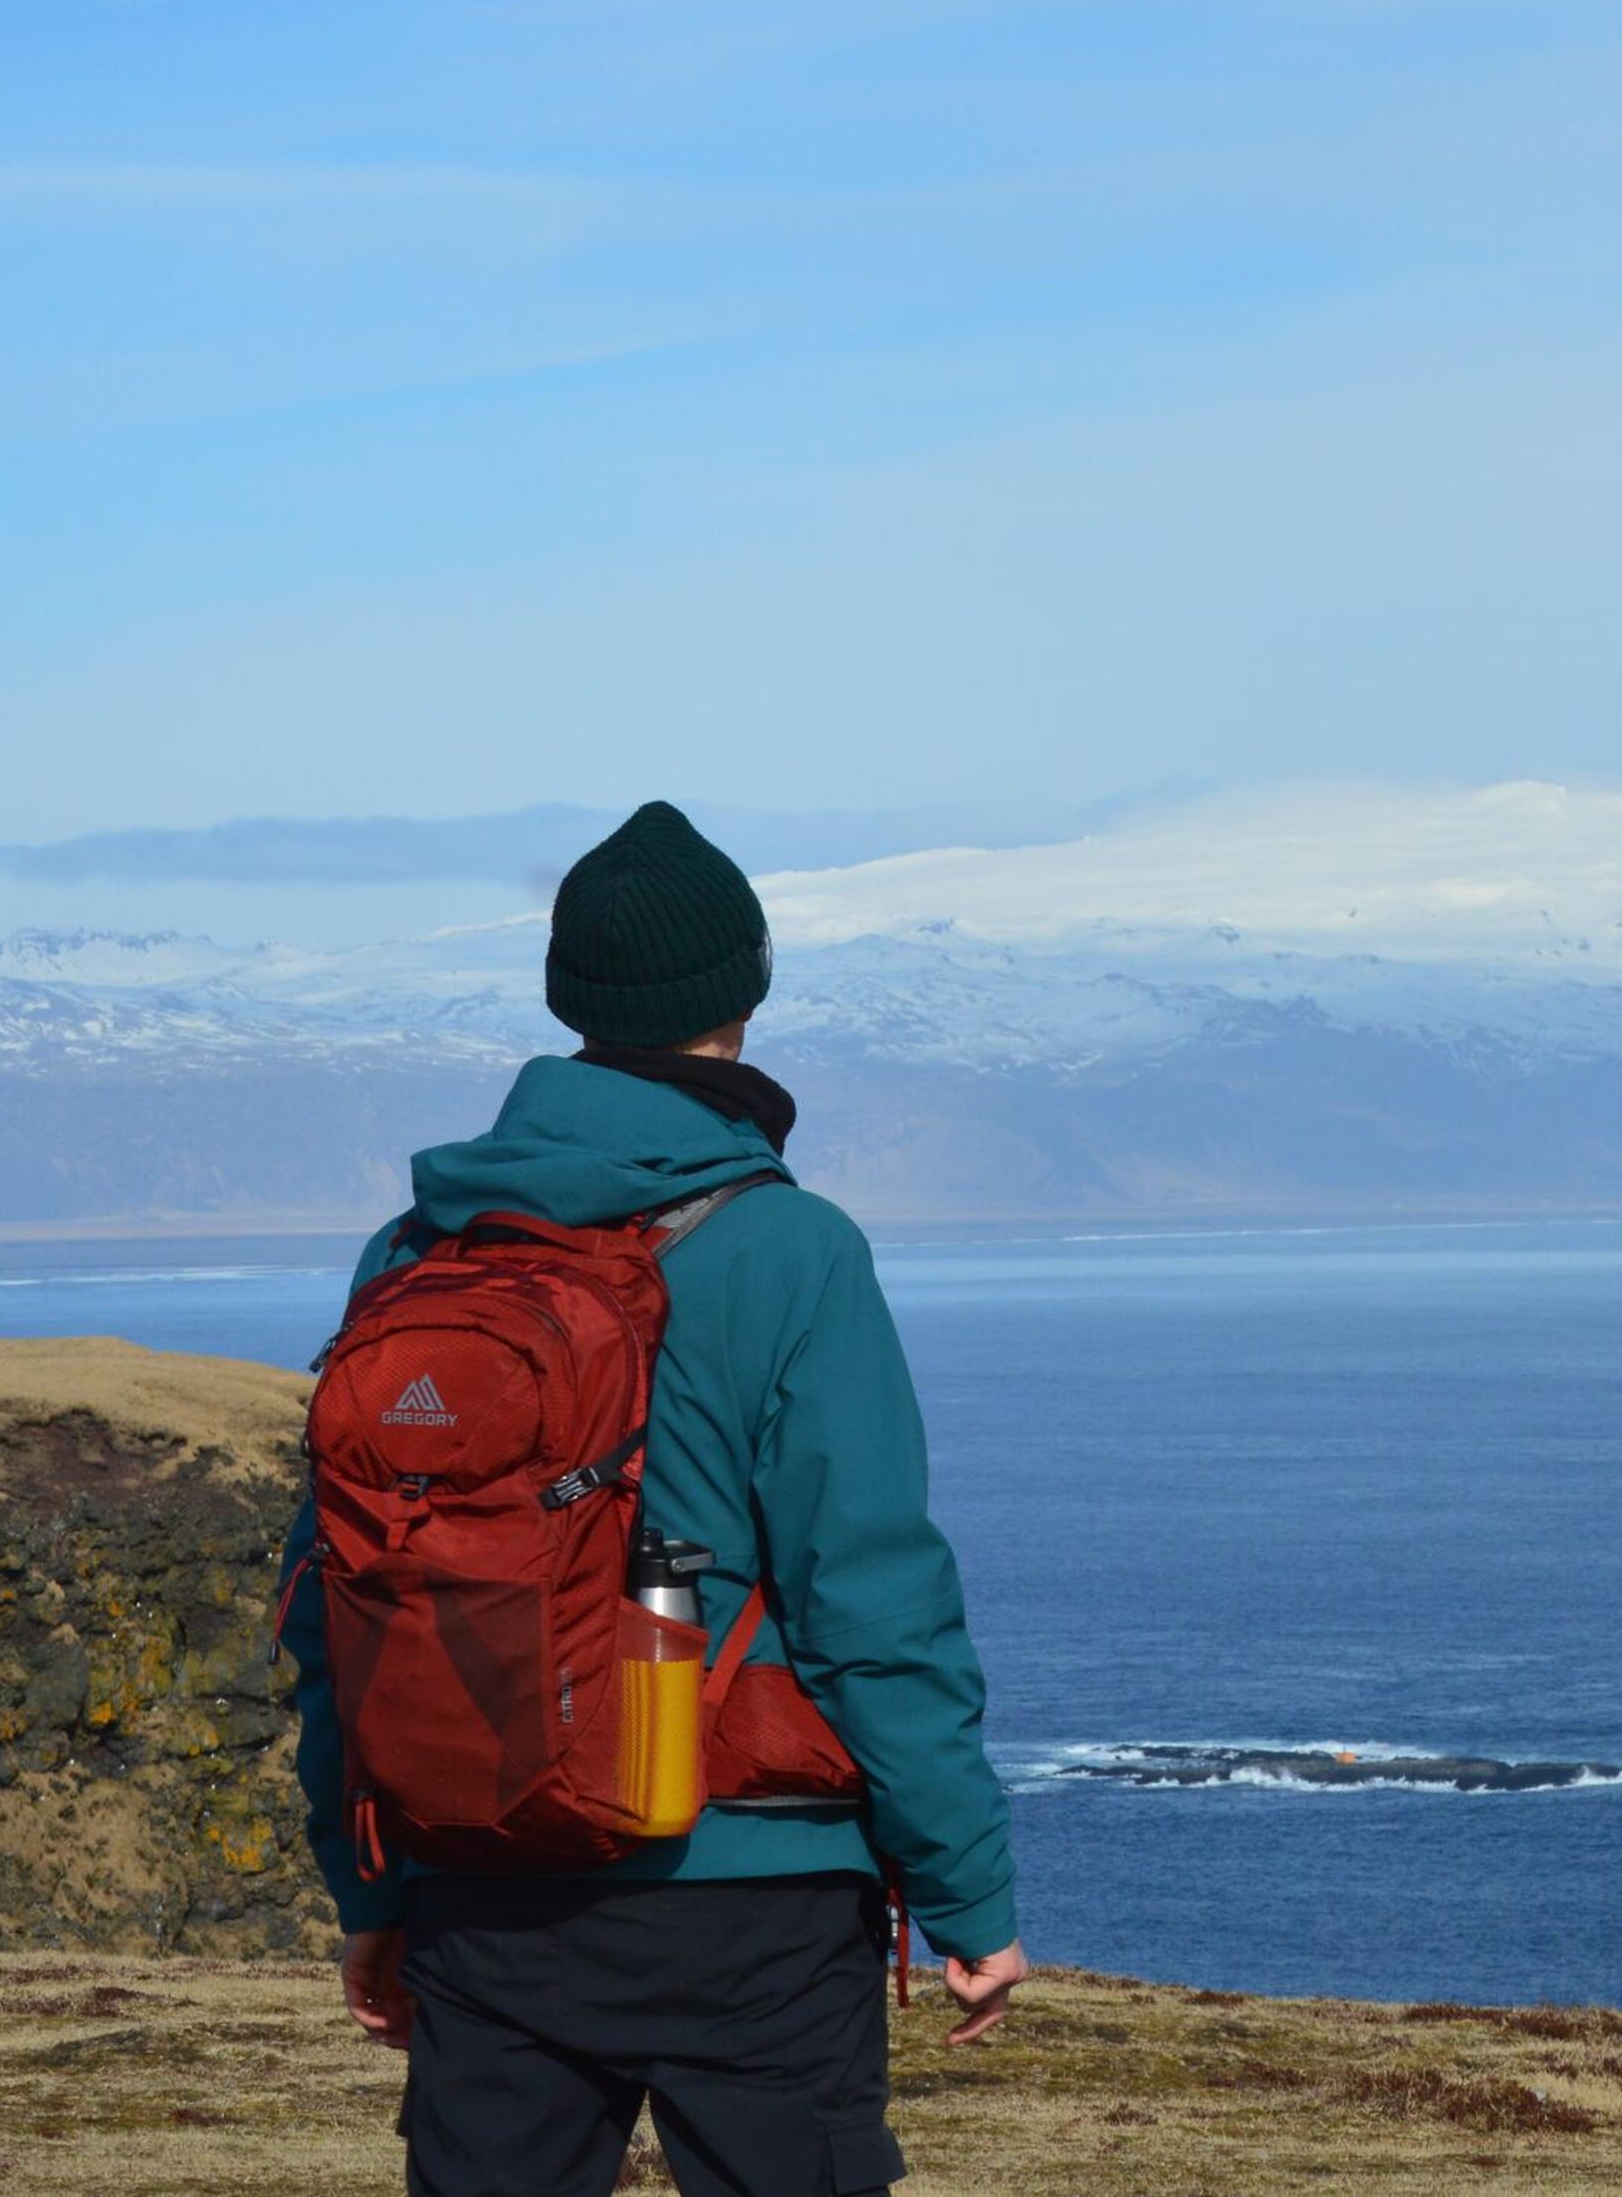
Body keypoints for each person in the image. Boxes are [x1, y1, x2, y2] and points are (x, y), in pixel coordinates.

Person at [279, 800, 1024, 2197]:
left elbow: (339, 1603)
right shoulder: (792, 1249)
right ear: (739, 1002)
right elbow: (870, 1604)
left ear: (571, 1000)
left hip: (485, 1881)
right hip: (756, 1901)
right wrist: (968, 1888)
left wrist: (370, 1890)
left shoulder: (414, 1253)